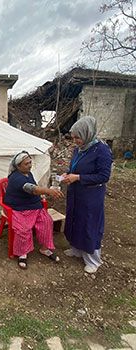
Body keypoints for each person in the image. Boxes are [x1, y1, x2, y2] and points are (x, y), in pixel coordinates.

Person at [61, 116, 113, 274]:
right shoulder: (79, 149)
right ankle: (76, 249)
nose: (75, 140)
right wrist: (68, 174)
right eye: (74, 137)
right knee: (75, 220)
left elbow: (104, 176)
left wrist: (78, 178)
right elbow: (75, 167)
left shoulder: (101, 150)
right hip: (76, 192)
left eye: (78, 137)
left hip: (91, 195)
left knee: (89, 223)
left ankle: (93, 260)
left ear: (88, 133)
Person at [4, 151, 64, 269]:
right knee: (23, 229)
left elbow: (35, 187)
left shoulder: (28, 174)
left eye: (30, 162)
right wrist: (48, 191)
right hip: (20, 208)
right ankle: (22, 253)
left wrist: (42, 194)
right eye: (26, 164)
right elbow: (32, 189)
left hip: (34, 206)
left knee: (47, 222)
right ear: (18, 166)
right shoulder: (16, 178)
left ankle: (44, 248)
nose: (30, 165)